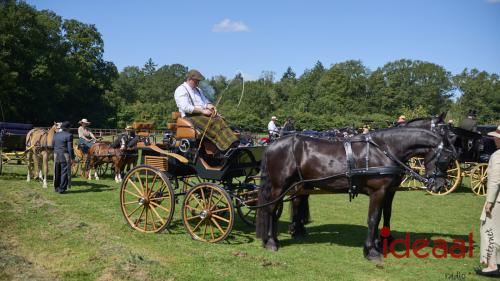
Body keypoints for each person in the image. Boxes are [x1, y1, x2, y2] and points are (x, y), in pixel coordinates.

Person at [174, 69, 239, 152]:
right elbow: (185, 107)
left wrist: (210, 106)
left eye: (198, 81)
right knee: (215, 122)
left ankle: (233, 143)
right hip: (189, 117)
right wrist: (202, 111)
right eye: (196, 81)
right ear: (189, 79)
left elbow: (205, 102)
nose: (198, 83)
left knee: (221, 119)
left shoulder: (198, 90)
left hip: (201, 114)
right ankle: (225, 147)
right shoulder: (181, 90)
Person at [477, 125, 500, 277]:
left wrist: (489, 202)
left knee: (489, 230)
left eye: (496, 137)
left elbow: (494, 181)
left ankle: (492, 266)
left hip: (498, 200)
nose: (494, 139)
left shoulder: (498, 156)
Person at [52, 121, 74, 194]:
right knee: (64, 172)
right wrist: (72, 158)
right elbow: (70, 148)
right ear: (68, 128)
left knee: (57, 171)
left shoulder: (56, 135)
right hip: (64, 155)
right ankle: (62, 188)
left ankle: (56, 187)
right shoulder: (69, 135)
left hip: (56, 155)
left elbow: (53, 146)